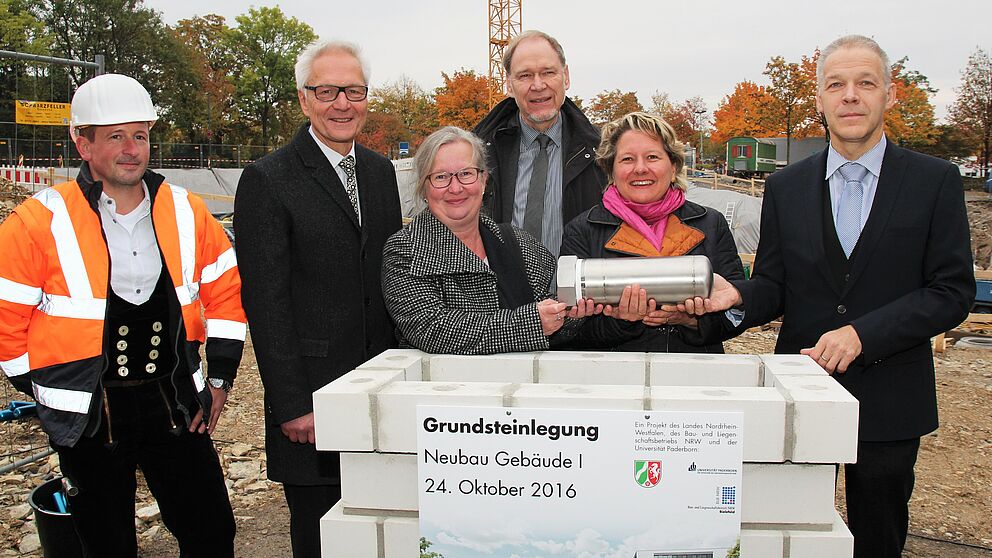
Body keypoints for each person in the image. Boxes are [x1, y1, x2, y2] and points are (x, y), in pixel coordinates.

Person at [680, 35, 975, 557]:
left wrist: (862, 335)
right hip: (800, 388)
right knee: (789, 533)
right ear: (819, 99)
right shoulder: (786, 186)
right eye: (836, 85)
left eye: (865, 83)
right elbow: (775, 285)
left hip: (891, 398)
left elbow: (951, 292)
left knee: (877, 537)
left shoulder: (935, 181)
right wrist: (736, 296)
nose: (850, 95)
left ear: (890, 94)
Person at [0, 73, 245, 556]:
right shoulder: (38, 220)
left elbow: (225, 296)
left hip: (174, 404)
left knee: (212, 534)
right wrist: (51, 393)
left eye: (140, 135)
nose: (131, 149)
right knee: (106, 544)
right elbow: (6, 319)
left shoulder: (187, 211)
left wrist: (219, 377)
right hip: (91, 415)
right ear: (83, 144)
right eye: (115, 136)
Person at [234, 39, 401, 558]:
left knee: (381, 529)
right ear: (304, 99)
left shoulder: (379, 172)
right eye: (327, 91)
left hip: (378, 391)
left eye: (354, 90)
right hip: (313, 400)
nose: (342, 104)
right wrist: (292, 404)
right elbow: (266, 303)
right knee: (321, 536)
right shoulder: (268, 179)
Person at [382, 126, 598, 354]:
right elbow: (432, 330)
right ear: (424, 188)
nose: (455, 188)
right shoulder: (405, 251)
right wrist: (532, 323)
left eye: (466, 174)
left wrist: (570, 316)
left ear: (483, 180)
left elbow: (554, 325)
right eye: (441, 177)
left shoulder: (520, 243)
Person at [560, 112, 744, 353]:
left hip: (695, 371)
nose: (640, 169)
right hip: (616, 372)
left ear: (674, 166)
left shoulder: (711, 223)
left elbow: (736, 314)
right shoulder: (582, 230)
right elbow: (570, 330)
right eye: (627, 159)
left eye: (652, 157)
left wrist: (691, 320)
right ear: (611, 170)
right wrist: (621, 321)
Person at [473, 30, 605, 257]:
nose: (538, 85)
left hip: (577, 279)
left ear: (566, 77)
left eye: (548, 72)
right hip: (498, 280)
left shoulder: (603, 153)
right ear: (509, 85)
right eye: (525, 75)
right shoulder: (478, 155)